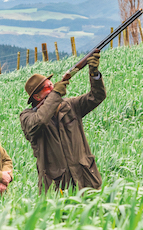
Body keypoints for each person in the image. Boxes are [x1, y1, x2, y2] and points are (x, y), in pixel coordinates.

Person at [20, 52, 106, 193]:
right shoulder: (27, 117)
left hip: (85, 178)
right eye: (47, 88)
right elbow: (40, 121)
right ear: (37, 96)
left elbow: (97, 96)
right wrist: (56, 95)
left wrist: (94, 74)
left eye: (52, 85)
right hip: (57, 186)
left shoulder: (70, 105)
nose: (52, 89)